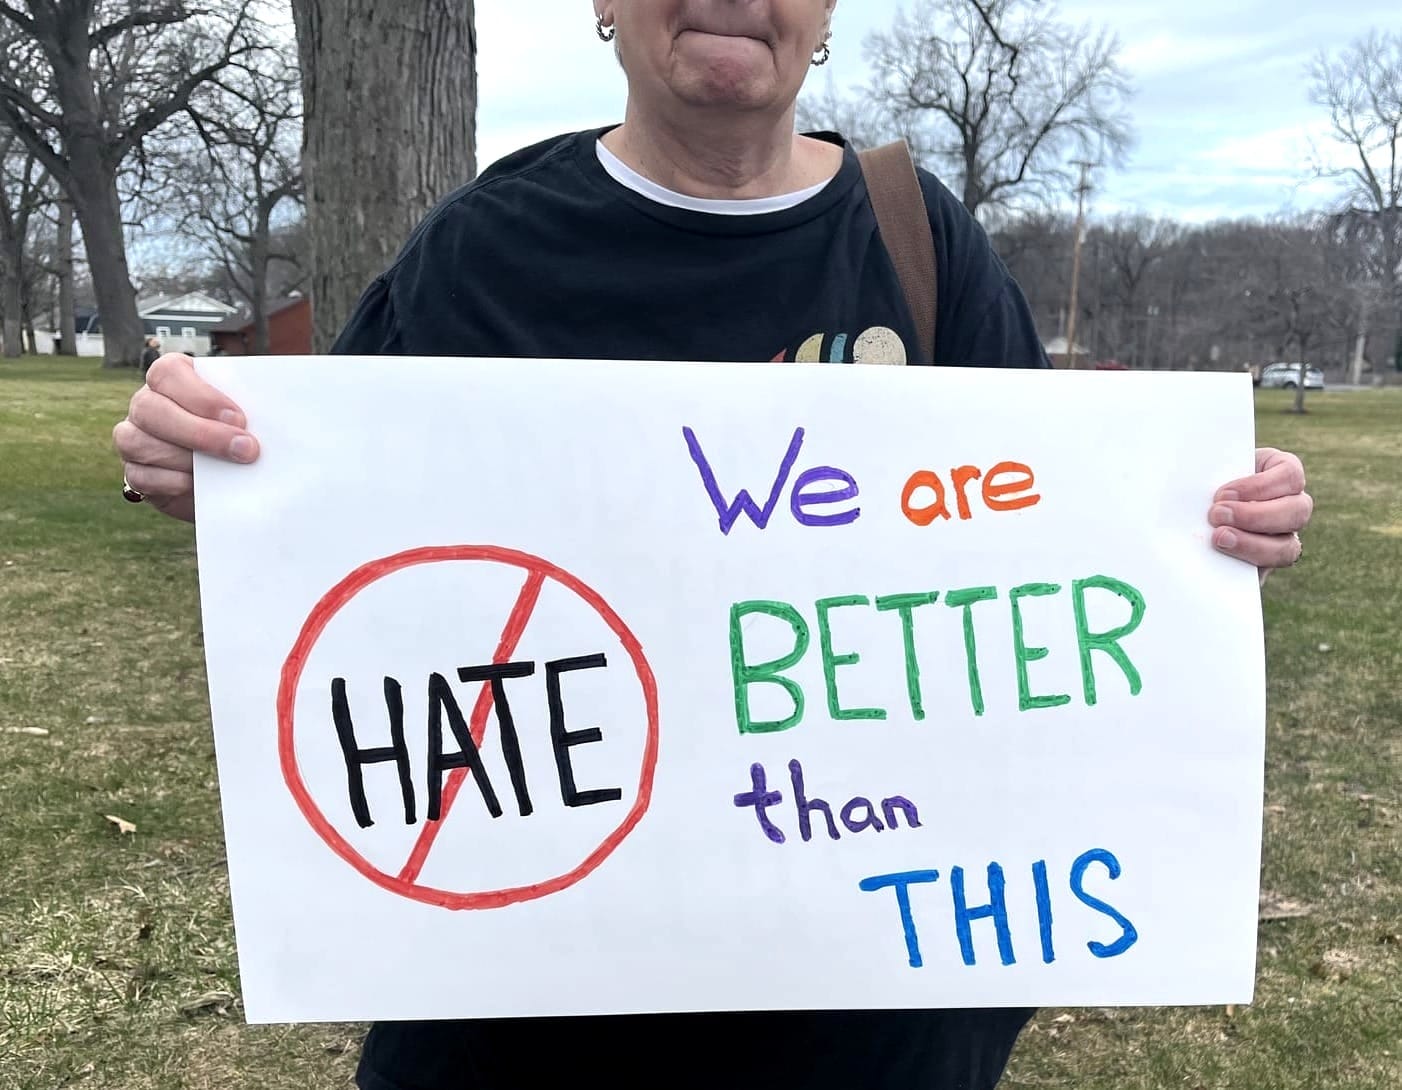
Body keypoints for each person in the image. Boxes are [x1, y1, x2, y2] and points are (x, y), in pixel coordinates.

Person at [111, 1, 1314, 1086]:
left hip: (868, 1014)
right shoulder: (485, 246)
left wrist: (1210, 522)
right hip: (527, 1017)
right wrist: (198, 468)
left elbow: (1057, 530)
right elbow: (334, 511)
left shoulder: (914, 237)